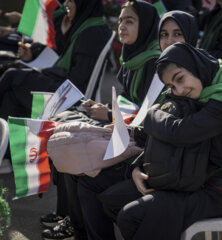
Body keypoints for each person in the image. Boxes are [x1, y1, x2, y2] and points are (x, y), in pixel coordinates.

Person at [98, 42, 222, 240]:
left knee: (131, 217)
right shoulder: (204, 84)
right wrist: (137, 167)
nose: (180, 89)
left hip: (217, 190)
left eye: (180, 78)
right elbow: (161, 137)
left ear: (194, 65)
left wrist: (150, 115)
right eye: (172, 86)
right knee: (111, 199)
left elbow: (180, 133)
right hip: (190, 173)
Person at [46, 1, 162, 239]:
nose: (122, 26)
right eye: (120, 20)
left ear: (147, 25)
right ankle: (77, 228)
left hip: (142, 146)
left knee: (84, 169)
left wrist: (109, 115)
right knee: (69, 152)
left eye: (130, 21)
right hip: (125, 134)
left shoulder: (154, 64)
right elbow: (130, 103)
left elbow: (151, 115)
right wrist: (104, 109)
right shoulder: (132, 59)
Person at [0, 0, 112, 120]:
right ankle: (8, 137)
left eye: (71, 1)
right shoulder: (85, 25)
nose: (66, 4)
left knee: (12, 75)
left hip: (70, 94)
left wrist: (45, 71)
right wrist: (31, 56)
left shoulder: (93, 32)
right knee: (10, 97)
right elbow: (58, 54)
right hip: (63, 84)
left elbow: (78, 79)